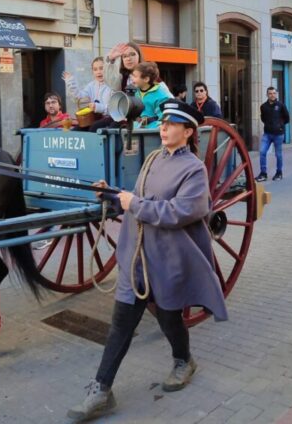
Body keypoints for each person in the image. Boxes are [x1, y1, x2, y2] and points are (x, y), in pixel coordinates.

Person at [67, 99, 227, 423]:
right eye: (163, 122)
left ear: (187, 131)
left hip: (167, 259)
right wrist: (111, 195)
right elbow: (137, 195)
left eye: (170, 124)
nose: (163, 128)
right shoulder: (153, 158)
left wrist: (133, 203)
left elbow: (181, 212)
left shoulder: (194, 169)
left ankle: (184, 361)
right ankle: (101, 390)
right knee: (121, 323)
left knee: (169, 318)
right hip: (136, 255)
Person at [255, 87, 290, 182]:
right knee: (262, 152)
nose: (272, 95)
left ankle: (279, 173)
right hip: (267, 134)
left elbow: (287, 118)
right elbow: (263, 118)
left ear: (276, 94)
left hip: (278, 134)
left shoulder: (281, 105)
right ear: (267, 95)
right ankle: (263, 174)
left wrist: (280, 126)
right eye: (270, 93)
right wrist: (269, 125)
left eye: (274, 93)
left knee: (278, 154)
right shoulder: (263, 106)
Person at [131, 62, 172, 128]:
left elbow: (165, 117)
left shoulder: (161, 95)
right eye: (132, 76)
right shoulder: (135, 92)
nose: (132, 78)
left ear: (146, 79)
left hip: (153, 131)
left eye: (135, 76)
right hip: (137, 129)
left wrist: (159, 127)